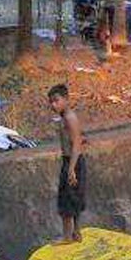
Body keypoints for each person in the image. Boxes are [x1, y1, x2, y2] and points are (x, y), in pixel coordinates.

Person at [47, 84, 86, 243]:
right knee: (74, 197)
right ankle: (76, 232)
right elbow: (78, 139)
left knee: (66, 200)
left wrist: (71, 169)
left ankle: (67, 237)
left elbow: (76, 143)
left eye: (56, 100)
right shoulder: (65, 117)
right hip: (72, 161)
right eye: (51, 102)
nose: (53, 105)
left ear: (66, 99)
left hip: (72, 162)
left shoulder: (70, 117)